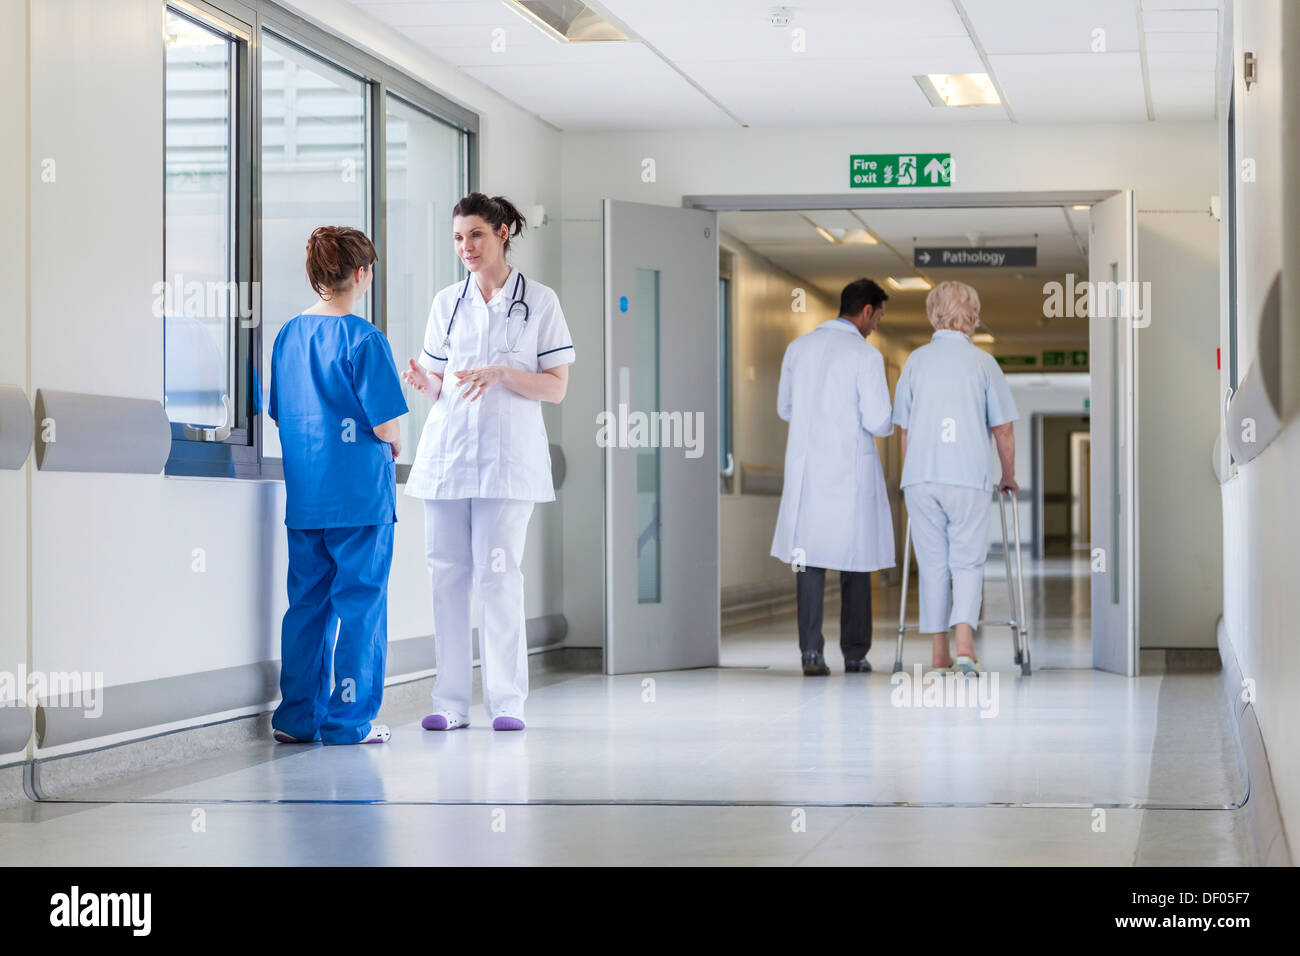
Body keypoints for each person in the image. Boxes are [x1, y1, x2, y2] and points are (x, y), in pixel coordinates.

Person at [401, 193, 574, 732]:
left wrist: (501, 373)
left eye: (475, 234)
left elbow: (556, 388)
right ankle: (450, 704)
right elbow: (440, 382)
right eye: (457, 238)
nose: (465, 247)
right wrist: (422, 381)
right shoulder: (446, 302)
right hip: (448, 456)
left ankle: (506, 702)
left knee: (499, 578)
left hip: (507, 461)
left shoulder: (539, 301)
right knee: (446, 577)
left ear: (501, 233)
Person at [268, 226, 408, 745]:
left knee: (307, 608)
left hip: (307, 500)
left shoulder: (287, 337)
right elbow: (387, 426)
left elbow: (282, 415)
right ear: (362, 272)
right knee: (361, 608)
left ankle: (297, 719)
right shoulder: (365, 338)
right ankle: (350, 722)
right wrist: (394, 444)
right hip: (360, 501)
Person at [892, 280, 1018, 676]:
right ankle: (966, 649)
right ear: (974, 317)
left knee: (932, 565)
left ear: (933, 315)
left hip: (921, 478)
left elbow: (906, 432)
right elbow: (1003, 431)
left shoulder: (914, 361)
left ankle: (937, 656)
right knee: (966, 562)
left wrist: (913, 474)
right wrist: (1008, 476)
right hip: (967, 476)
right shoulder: (984, 364)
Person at [770, 278, 895, 676]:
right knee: (854, 563)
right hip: (848, 471)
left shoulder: (798, 348)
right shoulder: (865, 356)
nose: (875, 326)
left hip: (808, 470)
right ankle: (854, 654)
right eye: (877, 317)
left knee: (808, 562)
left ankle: (810, 652)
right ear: (866, 311)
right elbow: (878, 420)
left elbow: (785, 408)